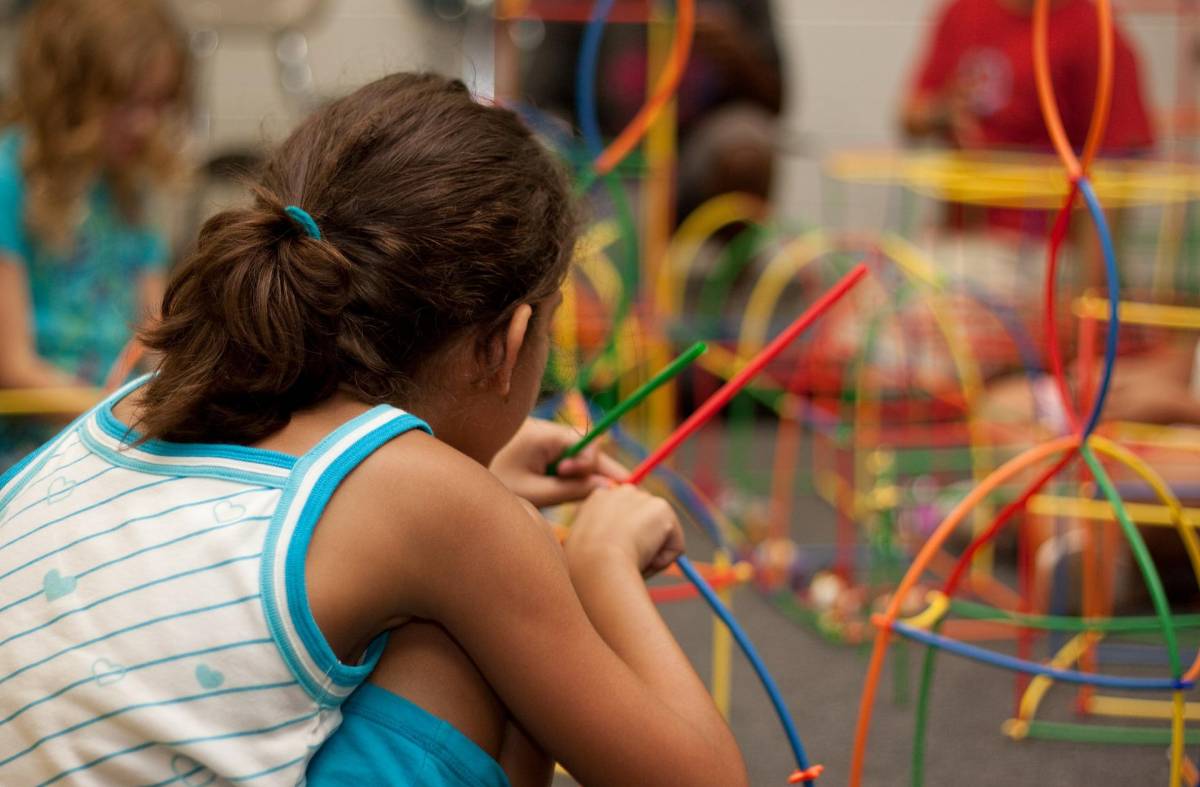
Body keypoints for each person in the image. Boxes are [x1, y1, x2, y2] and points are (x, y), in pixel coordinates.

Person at [0, 72, 747, 786]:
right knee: (472, 642)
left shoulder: (154, 380)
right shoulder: (443, 510)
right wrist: (600, 561)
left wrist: (474, 476)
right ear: (509, 343)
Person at [0, 0, 190, 469]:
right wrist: (124, 421)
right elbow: (12, 366)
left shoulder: (131, 190)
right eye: (128, 102)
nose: (146, 123)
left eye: (158, 103)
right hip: (30, 450)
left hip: (111, 430)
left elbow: (156, 338)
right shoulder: (10, 179)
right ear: (71, 91)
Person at [900, 0, 1154, 234]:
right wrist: (942, 112)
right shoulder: (964, 11)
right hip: (962, 235)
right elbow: (910, 116)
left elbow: (1114, 168)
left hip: (1041, 246)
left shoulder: (1094, 31)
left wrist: (1090, 283)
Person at [522, 0, 783, 221]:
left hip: (697, 155)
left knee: (745, 149)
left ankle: (729, 273)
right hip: (606, 158)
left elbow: (776, 101)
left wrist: (735, 52)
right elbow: (538, 99)